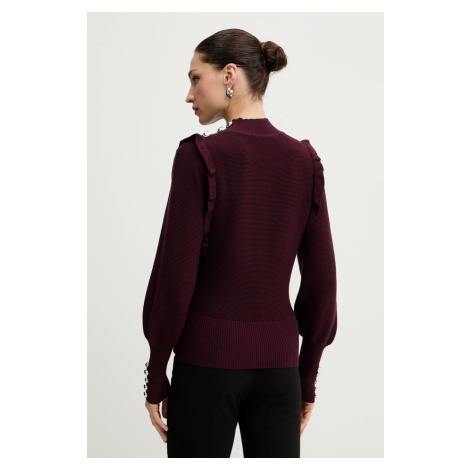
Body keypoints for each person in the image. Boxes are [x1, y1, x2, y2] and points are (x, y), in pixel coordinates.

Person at [142, 28, 338, 458]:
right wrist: (306, 378)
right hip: (280, 371)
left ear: (229, 74)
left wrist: (157, 373)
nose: (189, 95)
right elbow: (323, 283)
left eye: (196, 78)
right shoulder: (304, 161)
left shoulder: (199, 156)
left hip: (205, 367)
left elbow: (175, 278)